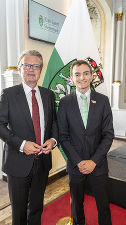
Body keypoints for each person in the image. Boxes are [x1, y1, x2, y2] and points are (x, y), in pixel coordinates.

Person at [0, 50, 58, 225]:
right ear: (20, 69)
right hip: (18, 163)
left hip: (42, 163)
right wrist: (22, 144)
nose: (31, 69)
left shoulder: (49, 95)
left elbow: (54, 125)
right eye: (26, 65)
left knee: (37, 208)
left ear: (40, 70)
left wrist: (53, 140)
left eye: (35, 66)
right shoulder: (8, 94)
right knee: (19, 212)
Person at [57, 60, 114, 225]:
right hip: (76, 166)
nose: (82, 78)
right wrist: (79, 161)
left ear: (91, 75)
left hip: (99, 165)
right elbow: (63, 136)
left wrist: (93, 161)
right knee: (77, 206)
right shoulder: (65, 102)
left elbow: (108, 135)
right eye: (77, 74)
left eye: (85, 73)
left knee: (103, 206)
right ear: (72, 78)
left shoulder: (103, 100)